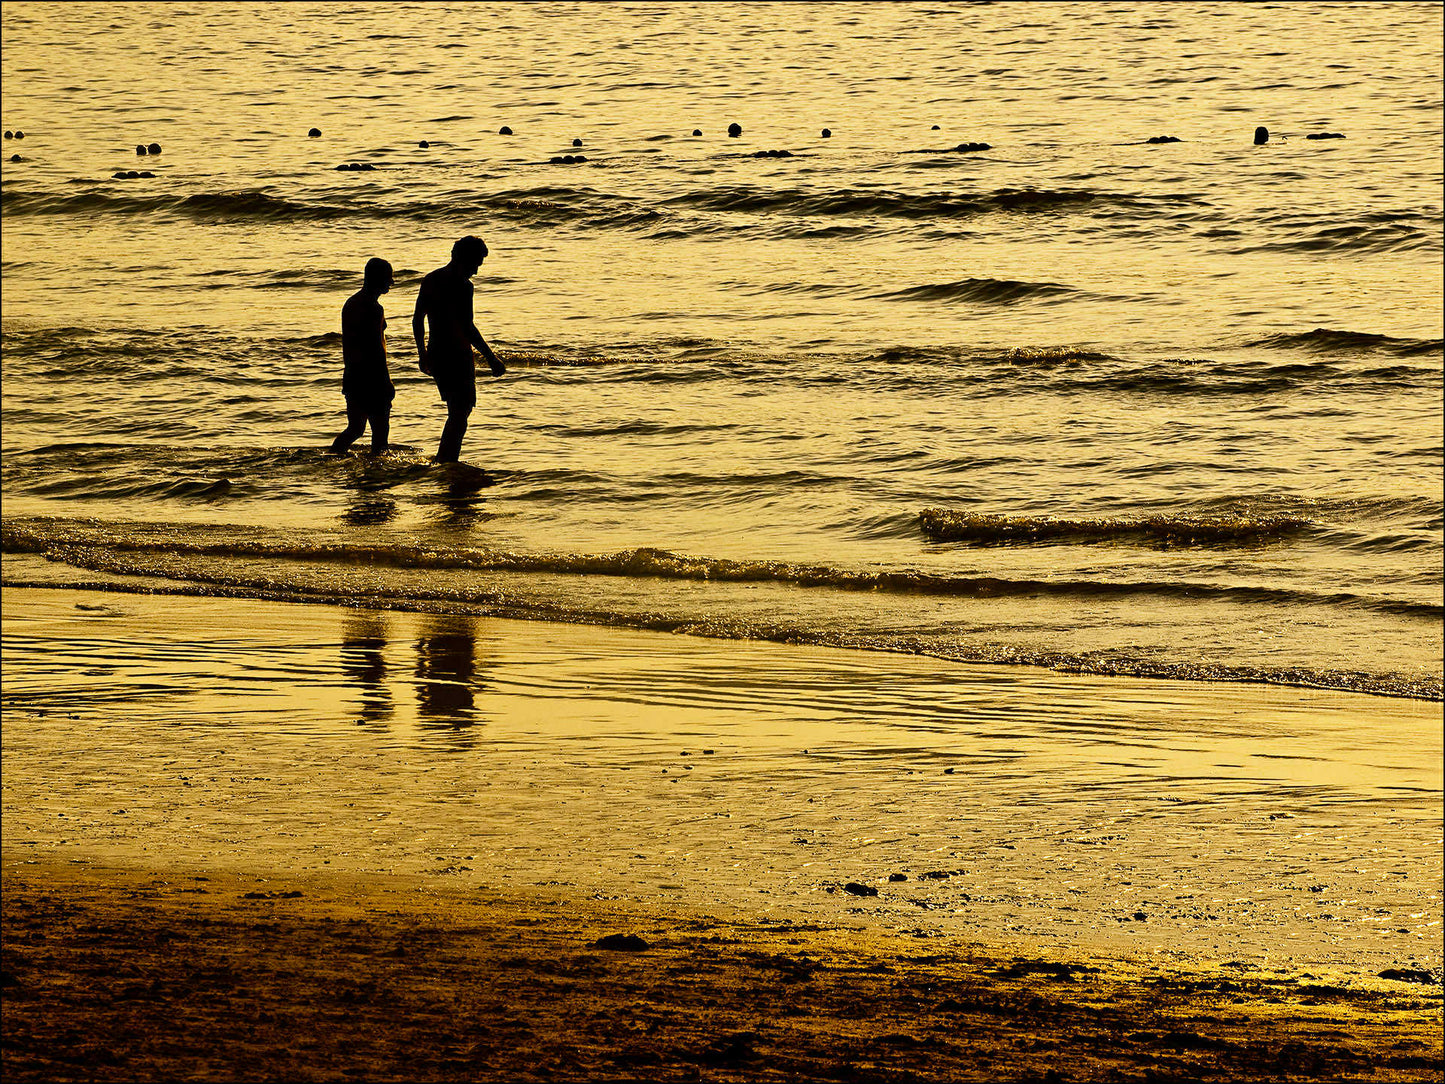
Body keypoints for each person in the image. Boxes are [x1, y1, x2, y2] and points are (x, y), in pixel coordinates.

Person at [413, 235, 506, 463]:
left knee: (457, 410)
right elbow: (468, 327)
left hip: (437, 352)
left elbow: (417, 319)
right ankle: (446, 460)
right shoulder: (464, 286)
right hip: (457, 355)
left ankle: (446, 459)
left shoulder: (431, 279)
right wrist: (491, 357)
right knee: (460, 411)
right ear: (464, 259)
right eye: (475, 264)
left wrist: (423, 354)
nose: (476, 271)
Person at [329, 257, 395, 454]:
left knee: (355, 429)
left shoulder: (351, 303)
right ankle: (377, 469)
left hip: (353, 375)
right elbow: (376, 348)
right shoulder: (373, 308)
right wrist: (386, 382)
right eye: (388, 278)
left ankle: (332, 457)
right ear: (378, 279)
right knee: (380, 433)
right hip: (372, 378)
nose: (391, 283)